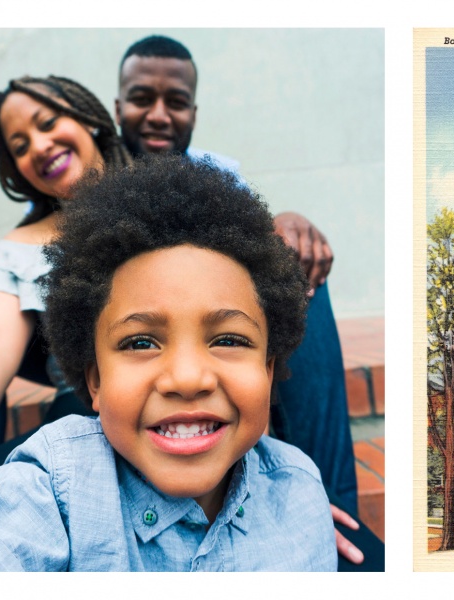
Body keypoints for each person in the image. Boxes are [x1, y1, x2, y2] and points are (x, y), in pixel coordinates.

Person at [0, 155, 337, 571]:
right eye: (140, 342)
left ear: (268, 372)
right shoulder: (51, 487)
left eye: (229, 339)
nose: (186, 378)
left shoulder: (299, 494)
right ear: (95, 381)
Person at [115, 35, 376, 567]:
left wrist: (287, 224)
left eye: (177, 101)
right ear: (119, 105)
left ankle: (331, 506)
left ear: (194, 111)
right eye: (143, 98)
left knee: (295, 269)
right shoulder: (99, 179)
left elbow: (255, 247)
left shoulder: (219, 176)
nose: (160, 114)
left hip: (219, 345)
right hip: (142, 357)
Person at [0, 76, 131, 451]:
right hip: (81, 443)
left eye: (47, 123)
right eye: (20, 147)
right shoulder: (15, 255)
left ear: (86, 117)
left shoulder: (176, 195)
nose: (39, 146)